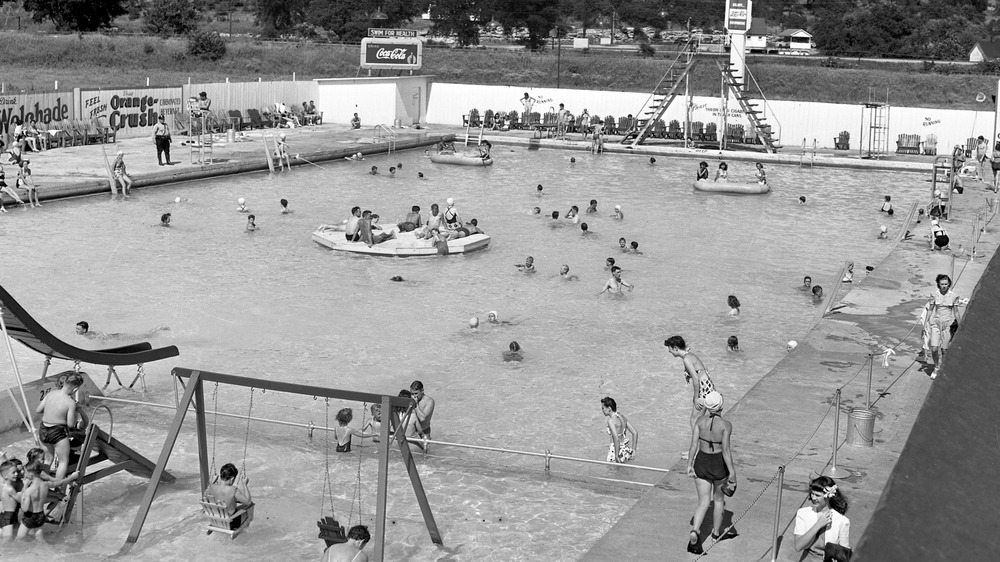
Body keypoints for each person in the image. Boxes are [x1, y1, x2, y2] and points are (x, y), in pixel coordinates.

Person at [686, 391, 736, 554]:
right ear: (721, 405)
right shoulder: (726, 425)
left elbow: (693, 445)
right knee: (719, 500)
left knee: (703, 502)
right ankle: (716, 533)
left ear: (707, 406)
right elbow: (726, 451)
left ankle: (695, 531)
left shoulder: (700, 421)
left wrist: (689, 464)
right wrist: (732, 473)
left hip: (701, 462)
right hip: (718, 464)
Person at [35, 372, 83, 484]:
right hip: (57, 431)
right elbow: (71, 424)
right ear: (75, 389)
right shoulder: (70, 402)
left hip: (43, 429)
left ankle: (42, 485)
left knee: (48, 459)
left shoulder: (50, 394)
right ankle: (57, 488)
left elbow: (38, 410)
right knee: (63, 462)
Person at [665, 335, 717, 432]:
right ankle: (702, 443)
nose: (669, 351)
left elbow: (696, 379)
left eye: (670, 349)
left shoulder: (686, 359)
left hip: (703, 389)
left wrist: (696, 397)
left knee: (694, 420)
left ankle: (697, 445)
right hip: (708, 386)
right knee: (700, 419)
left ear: (675, 348)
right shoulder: (689, 355)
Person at [793, 476, 851, 560]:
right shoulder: (803, 513)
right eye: (812, 494)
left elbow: (844, 554)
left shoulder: (842, 521)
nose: (813, 498)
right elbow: (798, 546)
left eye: (817, 495)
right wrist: (818, 525)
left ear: (828, 496)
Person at [926, 273, 965, 379]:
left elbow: (956, 312)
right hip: (936, 324)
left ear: (949, 285)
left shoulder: (954, 296)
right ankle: (937, 367)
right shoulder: (934, 295)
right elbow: (930, 310)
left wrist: (960, 324)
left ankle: (944, 368)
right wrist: (926, 323)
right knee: (934, 348)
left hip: (948, 325)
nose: (944, 286)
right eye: (942, 284)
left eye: (946, 284)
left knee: (944, 350)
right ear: (938, 284)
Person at [203, 462, 253, 532]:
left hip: (216, 519)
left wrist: (213, 482)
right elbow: (248, 502)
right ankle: (242, 530)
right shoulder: (233, 490)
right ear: (232, 479)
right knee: (250, 507)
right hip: (231, 523)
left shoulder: (211, 487)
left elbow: (205, 496)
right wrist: (245, 484)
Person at [601, 397, 638, 464]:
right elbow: (635, 433)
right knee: (623, 473)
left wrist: (616, 455)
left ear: (609, 408)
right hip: (625, 449)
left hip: (615, 450)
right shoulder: (622, 417)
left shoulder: (611, 421)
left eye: (603, 408)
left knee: (612, 472)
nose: (602, 410)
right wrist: (634, 450)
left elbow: (616, 439)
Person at [75, 321, 168, 341]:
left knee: (142, 337)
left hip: (118, 337)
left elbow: (101, 339)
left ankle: (158, 329)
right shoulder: (87, 334)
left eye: (78, 329)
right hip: (116, 336)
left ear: (84, 330)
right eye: (76, 329)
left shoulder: (88, 336)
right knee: (141, 336)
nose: (76, 331)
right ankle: (156, 330)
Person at [0, 460, 21, 538]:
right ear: (5, 476)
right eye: (13, 472)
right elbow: (21, 501)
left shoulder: (2, 486)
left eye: (17, 472)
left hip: (6, 515)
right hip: (8, 517)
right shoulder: (9, 489)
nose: (16, 474)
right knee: (7, 540)